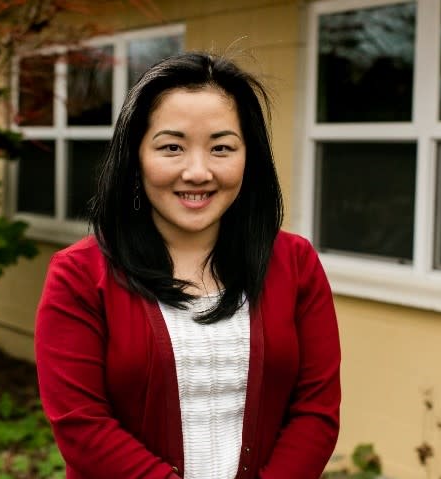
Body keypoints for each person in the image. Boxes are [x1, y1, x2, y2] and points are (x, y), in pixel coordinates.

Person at [34, 52, 341, 479]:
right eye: (172, 147)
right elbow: (81, 425)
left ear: (249, 158)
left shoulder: (296, 264)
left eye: (221, 148)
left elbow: (316, 412)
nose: (198, 172)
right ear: (135, 157)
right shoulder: (79, 275)